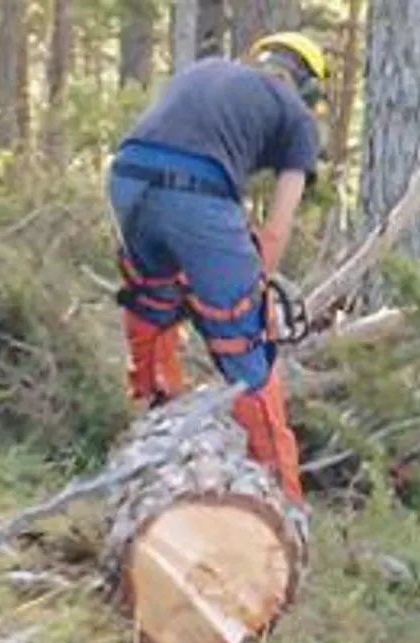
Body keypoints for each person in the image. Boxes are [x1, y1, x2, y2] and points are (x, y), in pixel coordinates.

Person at [104, 33, 328, 505]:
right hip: (197, 191)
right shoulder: (297, 116)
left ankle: (151, 419)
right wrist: (251, 289)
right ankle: (282, 501)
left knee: (152, 301)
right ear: (306, 84)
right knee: (245, 346)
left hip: (127, 176)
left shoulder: (207, 72)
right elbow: (276, 230)